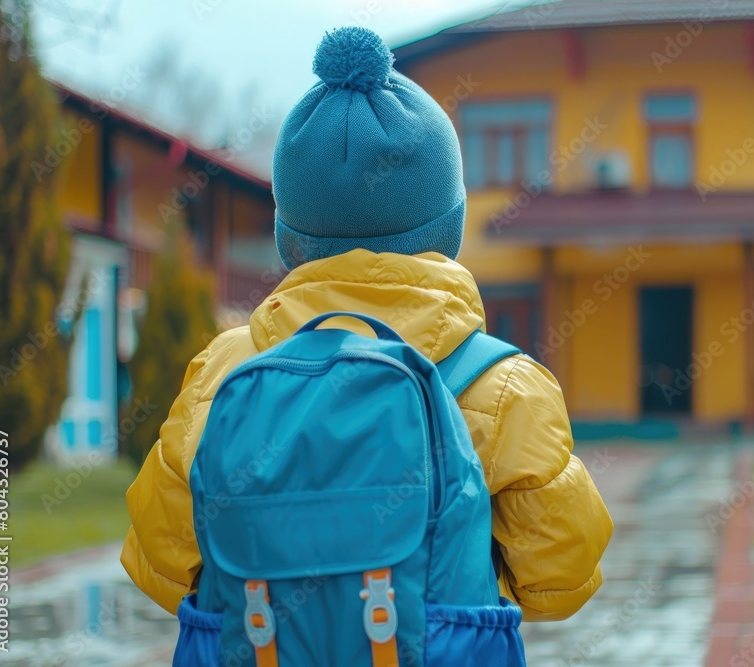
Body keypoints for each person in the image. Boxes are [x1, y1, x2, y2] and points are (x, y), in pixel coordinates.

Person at [121, 25, 612, 642]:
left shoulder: (227, 368)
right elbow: (563, 575)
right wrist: (437, 594)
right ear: (447, 228)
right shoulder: (504, 383)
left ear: (290, 237)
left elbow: (159, 567)